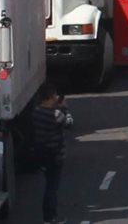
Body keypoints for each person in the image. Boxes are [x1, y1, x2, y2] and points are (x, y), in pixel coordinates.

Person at [32, 82, 74, 224]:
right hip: (55, 155)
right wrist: (65, 109)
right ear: (50, 98)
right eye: (55, 95)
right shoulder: (56, 114)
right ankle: (50, 218)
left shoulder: (36, 112)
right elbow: (69, 123)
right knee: (52, 187)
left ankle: (49, 217)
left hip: (42, 153)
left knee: (49, 184)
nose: (57, 98)